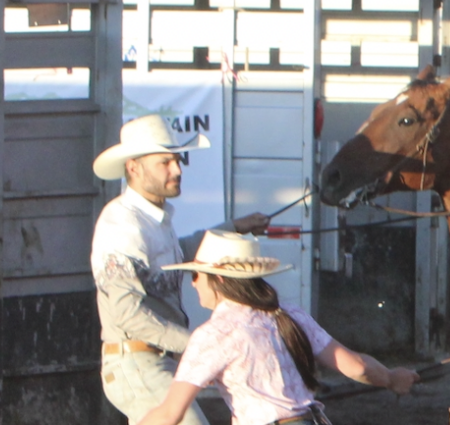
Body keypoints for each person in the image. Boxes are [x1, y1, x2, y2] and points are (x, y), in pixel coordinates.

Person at [92, 115, 275, 425]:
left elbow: (179, 252)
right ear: (133, 168)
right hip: (137, 362)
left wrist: (235, 228)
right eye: (165, 162)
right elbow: (127, 313)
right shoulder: (122, 224)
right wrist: (195, 346)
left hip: (148, 362)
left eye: (177, 161)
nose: (177, 170)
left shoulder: (149, 219)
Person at [140, 231, 418, 425]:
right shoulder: (290, 314)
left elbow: (170, 414)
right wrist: (391, 377)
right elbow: (356, 366)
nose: (193, 283)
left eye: (196, 275)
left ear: (220, 280)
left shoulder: (214, 334)